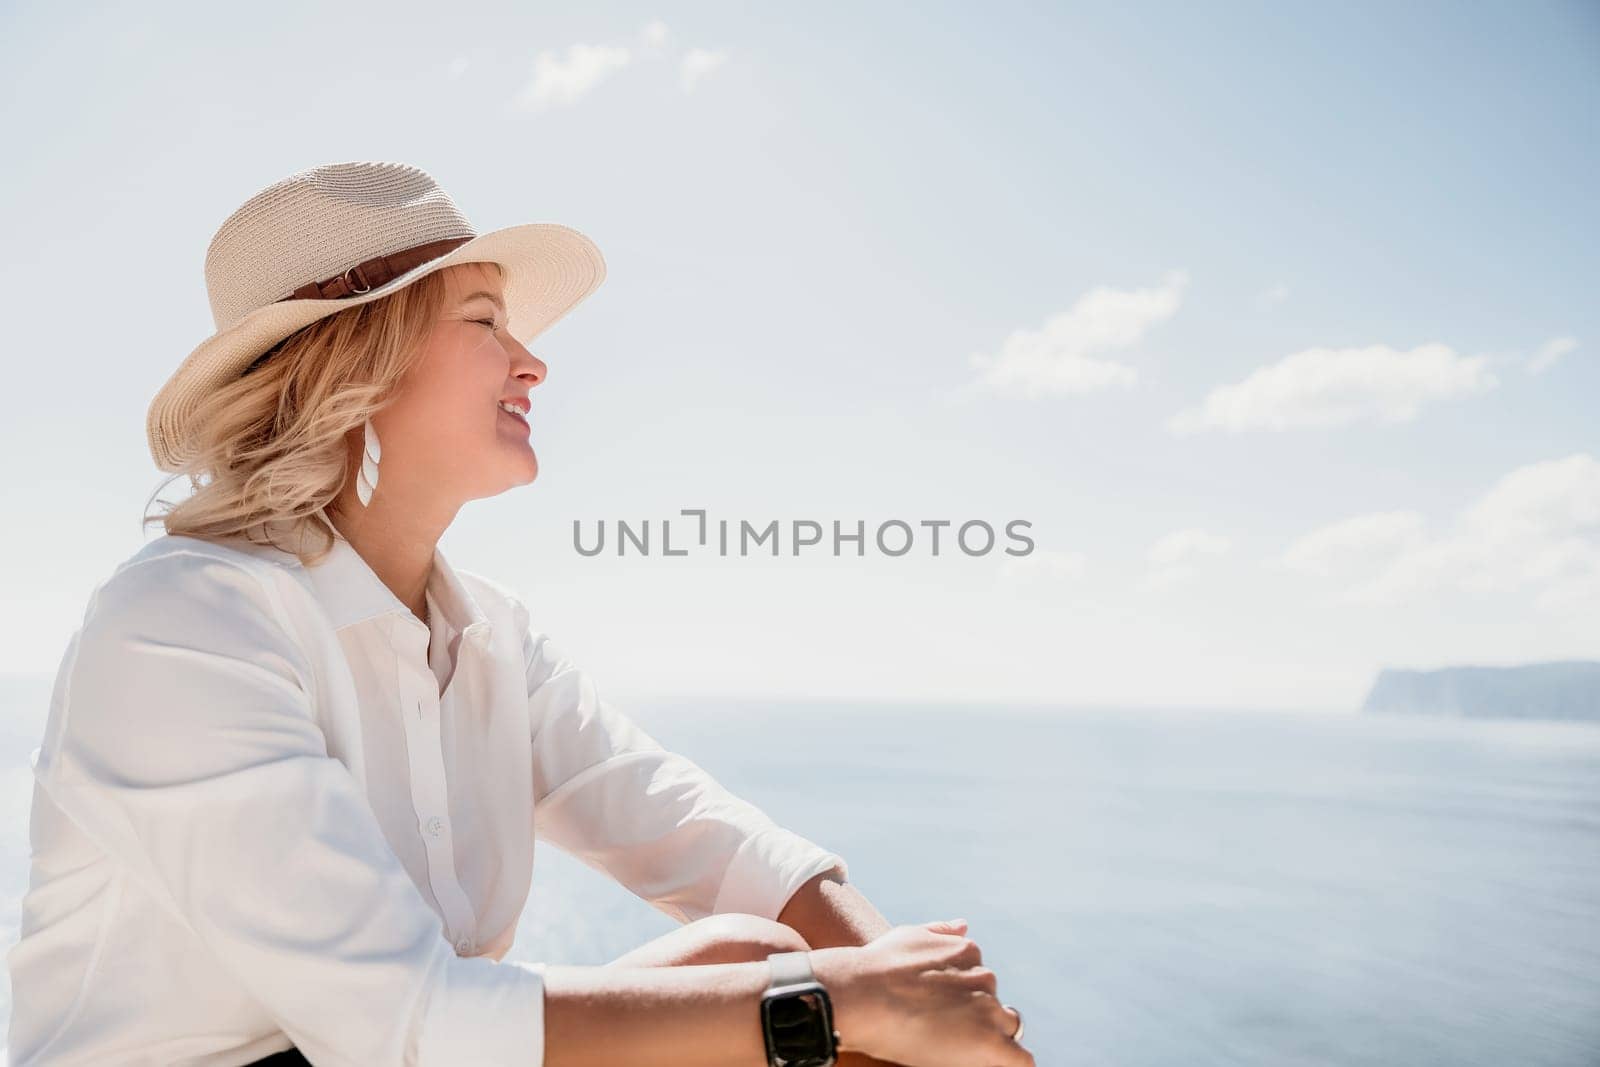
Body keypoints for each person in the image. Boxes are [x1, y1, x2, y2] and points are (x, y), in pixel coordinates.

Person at [5, 161, 1031, 1066]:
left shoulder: (489, 633)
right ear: (356, 360)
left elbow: (705, 839)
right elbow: (407, 1030)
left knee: (768, 956)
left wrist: (922, 991)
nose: (533, 363)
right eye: (487, 321)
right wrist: (847, 1001)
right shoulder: (181, 623)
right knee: (795, 994)